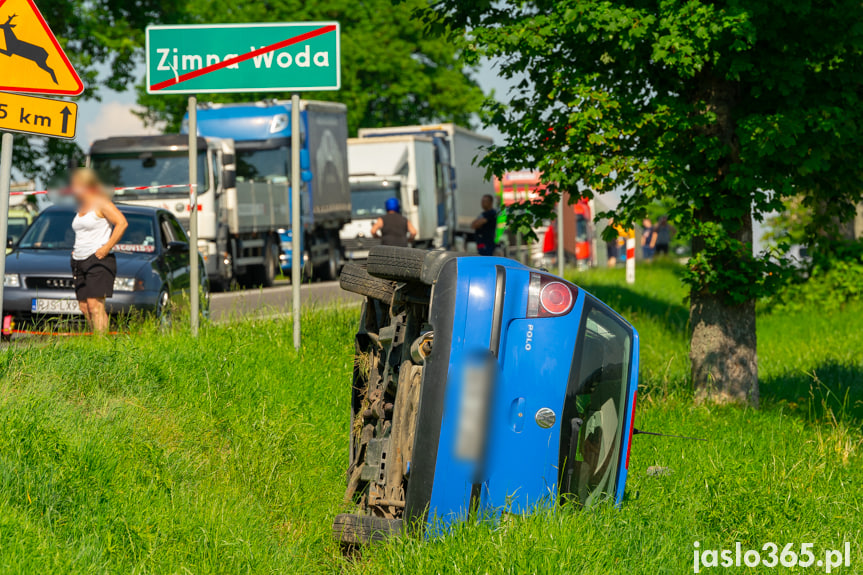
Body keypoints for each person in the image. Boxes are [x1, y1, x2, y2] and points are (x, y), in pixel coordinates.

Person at [70, 168, 128, 333]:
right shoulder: (81, 206)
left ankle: (101, 344)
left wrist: (107, 247)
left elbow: (122, 223)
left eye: (75, 185)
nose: (72, 189)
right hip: (78, 260)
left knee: (95, 305)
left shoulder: (102, 203)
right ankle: (95, 339)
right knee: (84, 307)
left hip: (98, 258)